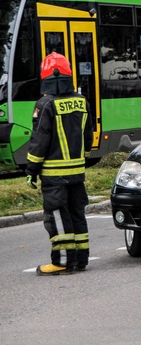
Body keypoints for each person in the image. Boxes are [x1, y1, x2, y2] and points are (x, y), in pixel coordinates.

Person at [26, 52, 94, 275]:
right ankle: (81, 259)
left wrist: (31, 170)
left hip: (54, 175)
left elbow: (39, 141)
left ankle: (62, 262)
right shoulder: (82, 101)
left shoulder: (45, 104)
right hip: (77, 172)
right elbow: (87, 136)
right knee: (76, 213)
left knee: (56, 215)